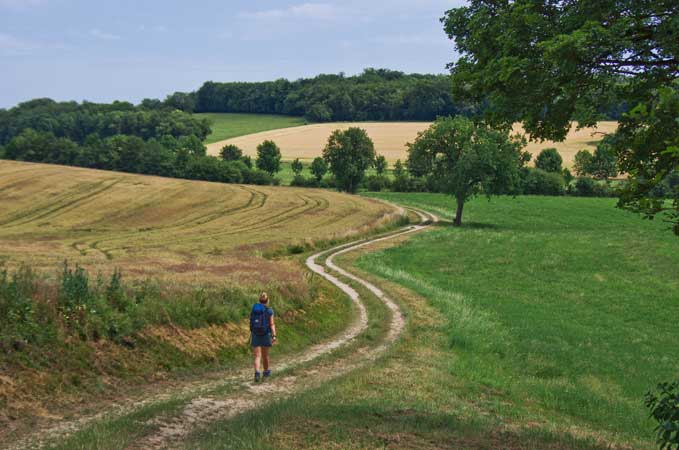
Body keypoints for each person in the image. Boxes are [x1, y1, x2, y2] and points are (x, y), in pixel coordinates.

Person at [250, 292, 277, 383]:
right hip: (265, 334)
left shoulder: (254, 309)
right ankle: (265, 373)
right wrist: (274, 335)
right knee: (265, 355)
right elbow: (272, 324)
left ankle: (257, 373)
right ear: (267, 300)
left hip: (255, 334)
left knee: (257, 356)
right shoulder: (269, 311)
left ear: (259, 300)